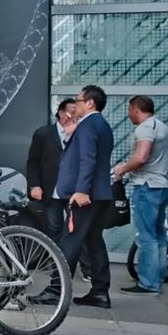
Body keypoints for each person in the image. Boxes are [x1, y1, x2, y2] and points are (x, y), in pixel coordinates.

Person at [31, 85, 115, 309]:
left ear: (90, 103)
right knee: (94, 241)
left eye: (78, 101)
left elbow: (88, 159)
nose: (75, 105)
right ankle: (100, 292)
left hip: (86, 195)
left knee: (70, 240)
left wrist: (81, 190)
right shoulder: (101, 125)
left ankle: (55, 290)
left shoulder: (88, 125)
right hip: (99, 194)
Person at [110, 95, 167, 296]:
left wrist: (122, 169)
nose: (128, 114)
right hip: (161, 185)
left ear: (136, 109)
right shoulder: (161, 126)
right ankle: (158, 278)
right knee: (159, 235)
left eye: (129, 110)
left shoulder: (144, 128)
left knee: (146, 237)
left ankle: (148, 284)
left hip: (146, 186)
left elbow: (141, 157)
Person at [26, 99, 78, 239]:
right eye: (72, 112)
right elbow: (33, 162)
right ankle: (54, 260)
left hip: (73, 190)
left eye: (77, 113)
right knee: (53, 227)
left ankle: (70, 260)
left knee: (76, 227)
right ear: (61, 113)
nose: (75, 116)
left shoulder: (80, 134)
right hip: (50, 190)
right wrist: (34, 185)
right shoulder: (43, 134)